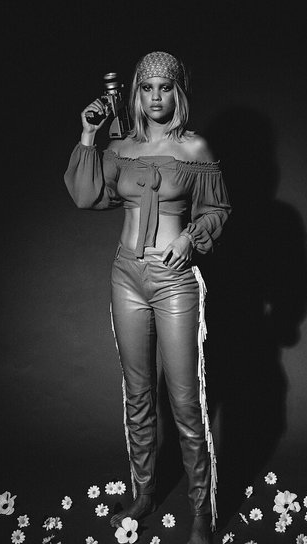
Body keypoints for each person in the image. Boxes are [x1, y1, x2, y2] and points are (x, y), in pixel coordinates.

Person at [64, 51, 231, 544]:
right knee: (138, 394)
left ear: (178, 93)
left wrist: (191, 238)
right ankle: (144, 493)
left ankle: (201, 511)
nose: (155, 97)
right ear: (135, 93)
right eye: (146, 87)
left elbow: (218, 207)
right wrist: (89, 136)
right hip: (127, 276)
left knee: (184, 399)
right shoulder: (122, 147)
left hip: (174, 278)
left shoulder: (194, 147)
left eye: (165, 87)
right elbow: (86, 196)